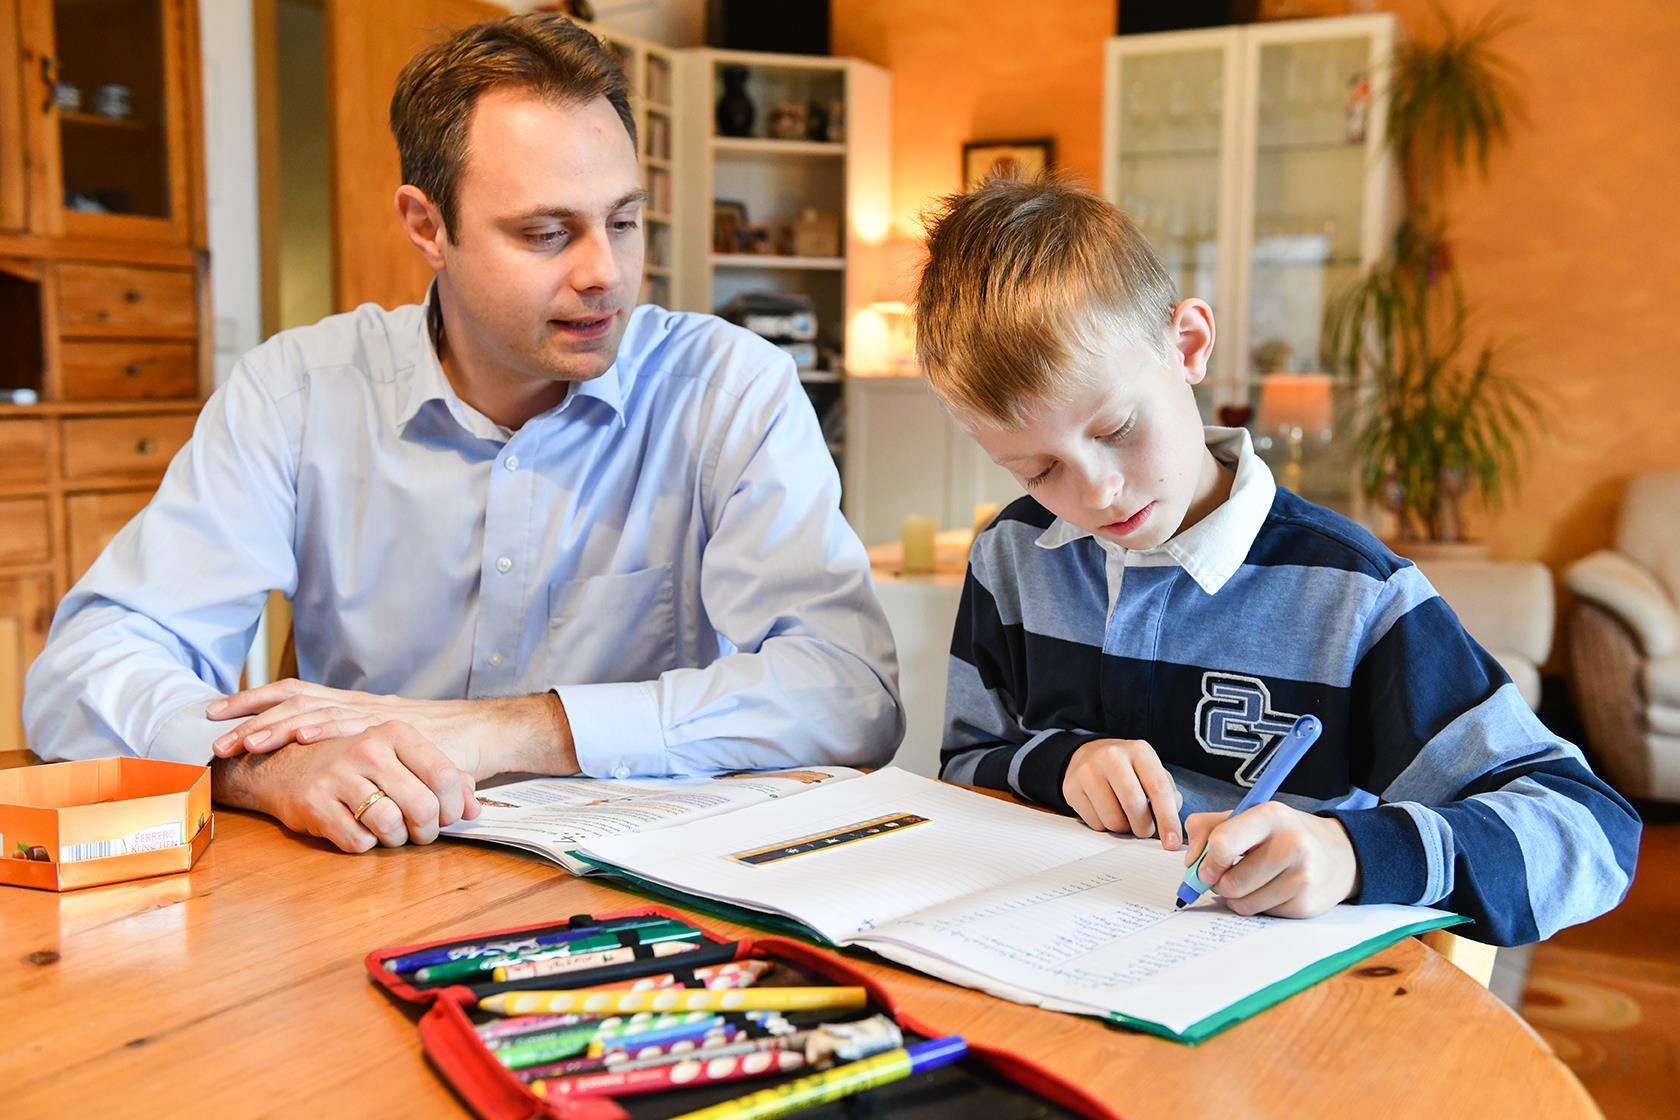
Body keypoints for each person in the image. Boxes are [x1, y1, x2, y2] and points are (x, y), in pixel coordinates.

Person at [23, 13, 902, 855]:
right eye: (548, 232)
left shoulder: (727, 389)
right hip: (361, 884)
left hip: (647, 897)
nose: (606, 273)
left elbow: (851, 692)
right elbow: (87, 670)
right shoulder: (298, 392)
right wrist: (270, 767)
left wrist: (511, 729)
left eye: (625, 222)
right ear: (427, 226)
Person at [913, 173, 1638, 945]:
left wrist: (1351, 856)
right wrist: (1062, 764)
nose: (1097, 493)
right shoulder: (1013, 556)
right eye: (1038, 470)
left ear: (1188, 345)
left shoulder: (1353, 595)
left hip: (1288, 1012)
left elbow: (1590, 830)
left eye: (1119, 428)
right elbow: (965, 766)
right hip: (1058, 964)